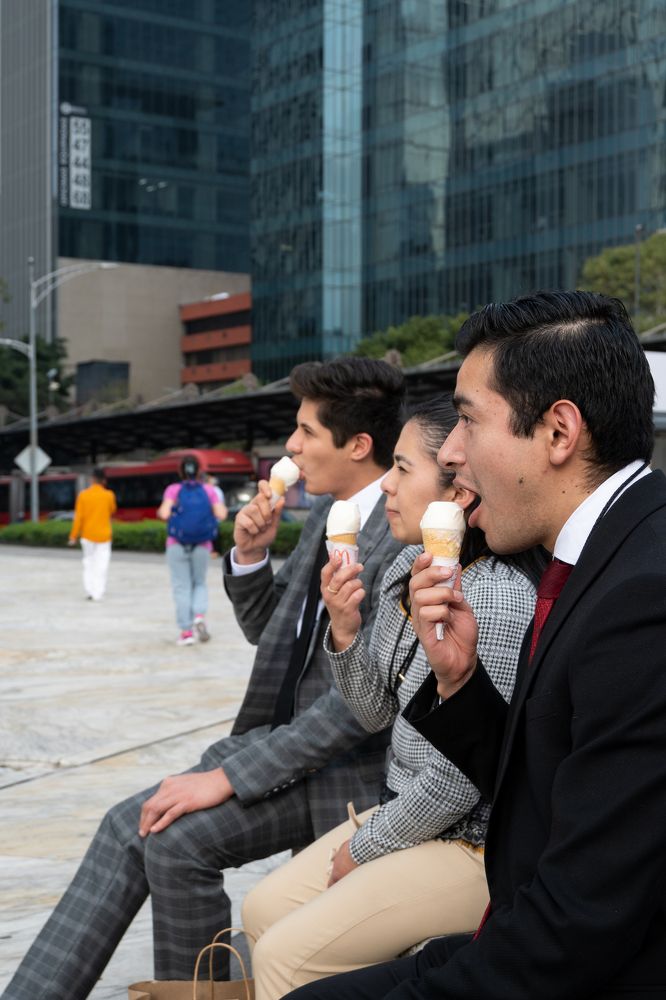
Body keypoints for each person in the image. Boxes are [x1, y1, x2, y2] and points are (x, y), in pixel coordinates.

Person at [284, 290, 666, 1000]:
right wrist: (459, 683)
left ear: (558, 432)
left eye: (465, 419)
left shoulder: (643, 597)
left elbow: (582, 921)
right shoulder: (600, 557)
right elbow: (553, 778)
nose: (451, 457)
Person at [3, 356, 404, 1000]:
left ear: (358, 444)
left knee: (173, 839)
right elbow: (274, 634)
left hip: (342, 770)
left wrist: (227, 777)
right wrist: (249, 556)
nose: (291, 446)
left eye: (304, 431)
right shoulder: (330, 516)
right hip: (277, 745)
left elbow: (359, 708)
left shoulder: (400, 528)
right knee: (127, 824)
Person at [242, 397, 545, 1000]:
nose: (385, 483)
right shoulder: (406, 565)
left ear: (457, 496)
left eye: (403, 469)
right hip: (406, 813)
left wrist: (367, 846)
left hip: (472, 843)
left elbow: (462, 778)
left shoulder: (500, 597)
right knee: (258, 909)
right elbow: (374, 711)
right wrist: (345, 631)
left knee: (284, 957)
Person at [158, 454, 227, 645]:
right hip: (203, 544)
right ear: (199, 471)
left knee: (182, 586)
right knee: (199, 583)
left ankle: (186, 633)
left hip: (176, 544)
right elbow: (221, 513)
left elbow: (163, 513)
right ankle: (199, 615)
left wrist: (174, 513)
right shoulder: (209, 490)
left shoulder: (173, 489)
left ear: (180, 471)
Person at [67, 466, 117, 601]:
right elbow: (112, 510)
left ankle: (90, 590)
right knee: (102, 564)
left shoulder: (83, 495)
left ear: (92, 479)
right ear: (104, 481)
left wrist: (73, 536)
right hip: (104, 535)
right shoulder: (109, 495)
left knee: (89, 563)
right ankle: (98, 592)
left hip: (87, 535)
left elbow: (79, 518)